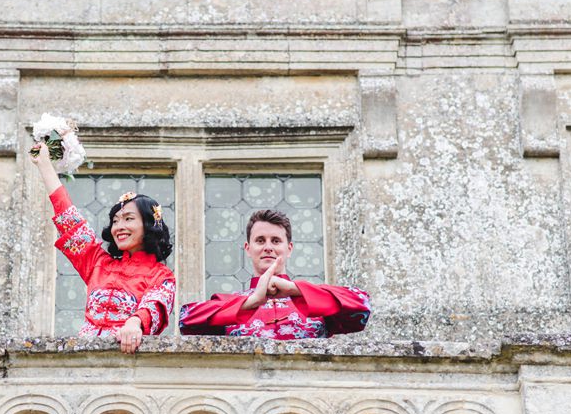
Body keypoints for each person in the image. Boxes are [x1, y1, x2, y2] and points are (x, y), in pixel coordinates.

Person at [30, 142, 175, 352]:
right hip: (84, 357)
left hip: (127, 361)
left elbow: (154, 305)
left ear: (149, 225)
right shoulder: (97, 263)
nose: (119, 227)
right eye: (115, 221)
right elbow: (70, 218)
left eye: (128, 219)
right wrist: (44, 165)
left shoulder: (162, 276)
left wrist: (134, 323)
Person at [178, 209, 371, 339]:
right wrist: (251, 302)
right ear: (248, 248)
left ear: (289, 248)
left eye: (276, 241)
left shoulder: (317, 302)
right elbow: (186, 320)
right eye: (260, 241)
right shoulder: (228, 302)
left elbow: (362, 305)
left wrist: (295, 290)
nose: (268, 247)